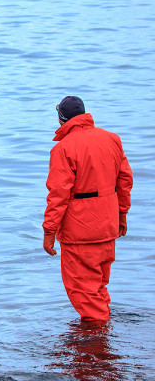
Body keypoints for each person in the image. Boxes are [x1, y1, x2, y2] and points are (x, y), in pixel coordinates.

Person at [42, 96, 133, 322]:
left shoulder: (63, 149)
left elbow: (58, 194)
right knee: (99, 287)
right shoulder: (112, 139)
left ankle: (95, 347)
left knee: (83, 291)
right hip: (108, 225)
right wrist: (122, 214)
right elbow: (124, 181)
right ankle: (102, 338)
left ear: (62, 119)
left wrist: (49, 231)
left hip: (80, 232)